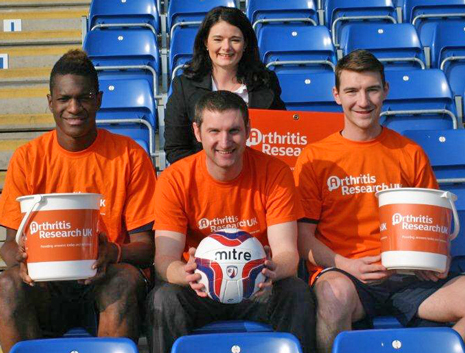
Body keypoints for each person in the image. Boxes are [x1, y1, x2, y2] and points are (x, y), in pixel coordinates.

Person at [293, 49, 465, 353]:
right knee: (332, 298)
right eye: (352, 91)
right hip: (347, 275)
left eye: (372, 89)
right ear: (336, 95)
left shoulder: (408, 152)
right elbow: (303, 238)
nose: (363, 101)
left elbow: (436, 227)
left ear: (385, 91)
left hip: (409, 277)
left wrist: (437, 260)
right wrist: (346, 264)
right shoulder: (315, 157)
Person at [0, 49, 157, 353]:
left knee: (122, 281)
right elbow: (9, 244)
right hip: (46, 288)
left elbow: (146, 248)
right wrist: (18, 261)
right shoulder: (27, 158)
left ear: (98, 99)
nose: (74, 107)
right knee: (7, 286)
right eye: (64, 99)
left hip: (106, 279)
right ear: (50, 102)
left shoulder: (130, 156)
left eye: (83, 97)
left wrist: (112, 252)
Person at [147, 91, 315, 353]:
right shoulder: (174, 179)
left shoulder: (275, 172)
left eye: (234, 131)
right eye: (214, 131)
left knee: (296, 292)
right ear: (197, 131)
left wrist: (271, 270)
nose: (224, 142)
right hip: (200, 289)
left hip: (257, 287)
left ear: (248, 130)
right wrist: (186, 273)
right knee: (163, 299)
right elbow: (164, 259)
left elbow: (288, 255)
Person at [165, 6, 286, 164]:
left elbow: (281, 138)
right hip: (203, 183)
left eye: (235, 40)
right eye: (218, 39)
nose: (226, 47)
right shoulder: (184, 86)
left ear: (245, 44)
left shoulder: (266, 82)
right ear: (205, 43)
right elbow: (176, 149)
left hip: (258, 179)